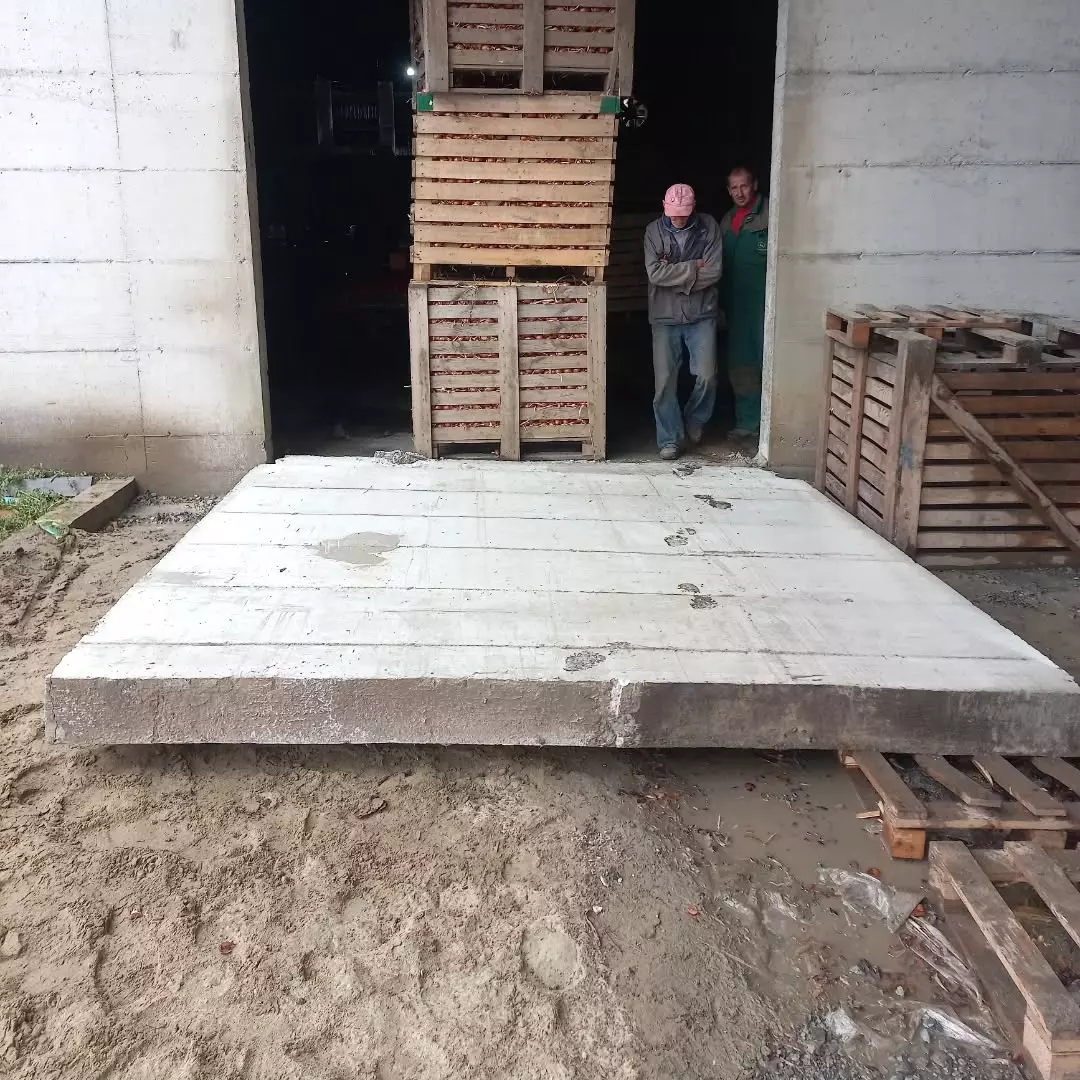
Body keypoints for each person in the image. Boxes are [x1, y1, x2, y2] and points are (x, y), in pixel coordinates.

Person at [644, 183, 723, 460]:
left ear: (693, 208)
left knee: (707, 375)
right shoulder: (653, 231)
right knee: (665, 382)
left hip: (702, 313)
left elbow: (714, 271)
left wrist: (674, 276)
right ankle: (669, 439)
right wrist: (693, 267)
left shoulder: (709, 227)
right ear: (664, 207)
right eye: (673, 214)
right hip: (664, 315)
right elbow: (655, 274)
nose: (678, 219)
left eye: (683, 214)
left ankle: (695, 418)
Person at [720, 166, 769, 439]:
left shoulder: (770, 215)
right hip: (736, 308)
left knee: (768, 363)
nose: (740, 193)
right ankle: (748, 422)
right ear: (728, 191)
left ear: (755, 185)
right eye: (734, 188)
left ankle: (772, 426)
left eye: (744, 186)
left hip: (765, 306)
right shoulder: (727, 222)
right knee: (741, 366)